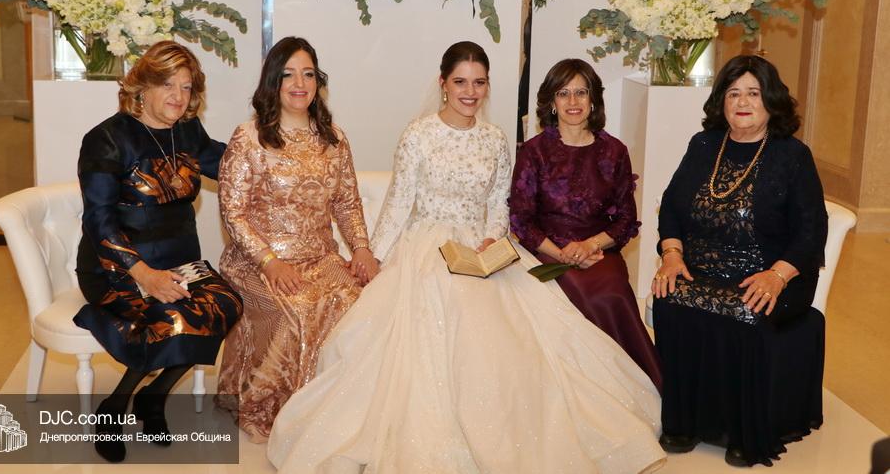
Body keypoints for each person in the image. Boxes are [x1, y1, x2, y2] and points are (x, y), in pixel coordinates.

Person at [266, 41, 664, 474]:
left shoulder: (495, 139)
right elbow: (399, 202)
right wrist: (373, 256)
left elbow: (499, 206)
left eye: (478, 83)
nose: (469, 92)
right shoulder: (418, 134)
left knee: (525, 334)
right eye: (460, 82)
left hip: (481, 248)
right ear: (443, 84)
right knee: (441, 319)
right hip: (427, 246)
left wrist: (492, 240)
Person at [651, 55, 827, 467]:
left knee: (745, 309)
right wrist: (671, 255)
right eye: (733, 93)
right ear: (722, 102)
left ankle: (742, 431)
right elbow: (671, 207)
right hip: (702, 266)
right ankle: (684, 421)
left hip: (771, 273)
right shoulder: (704, 145)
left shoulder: (792, 156)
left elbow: (811, 230)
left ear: (771, 101)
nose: (743, 102)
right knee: (670, 297)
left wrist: (777, 276)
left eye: (753, 93)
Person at [74, 41, 243, 463]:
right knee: (170, 316)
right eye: (167, 85)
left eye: (186, 87)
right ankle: (115, 406)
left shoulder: (187, 131)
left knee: (225, 304)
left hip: (179, 262)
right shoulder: (106, 139)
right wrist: (144, 275)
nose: (178, 96)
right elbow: (99, 221)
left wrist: (280, 155)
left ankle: (155, 396)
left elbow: (234, 165)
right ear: (142, 86)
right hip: (117, 266)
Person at [215, 36, 377, 443]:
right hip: (257, 261)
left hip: (320, 256)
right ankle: (279, 412)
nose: (299, 84)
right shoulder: (249, 138)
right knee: (300, 310)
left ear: (318, 82)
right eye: (288, 75)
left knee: (359, 301)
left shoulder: (333, 139)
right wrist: (269, 261)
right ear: (273, 81)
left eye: (308, 74)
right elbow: (233, 212)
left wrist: (361, 248)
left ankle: (342, 414)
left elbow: (346, 202)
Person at [509, 58, 662, 390]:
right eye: (563, 93)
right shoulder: (533, 152)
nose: (573, 101)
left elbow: (626, 220)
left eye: (581, 92)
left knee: (611, 294)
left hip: (598, 252)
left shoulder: (614, 151)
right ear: (552, 101)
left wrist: (590, 245)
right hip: (546, 252)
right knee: (566, 293)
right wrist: (561, 253)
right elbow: (520, 220)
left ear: (593, 100)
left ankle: (625, 386)